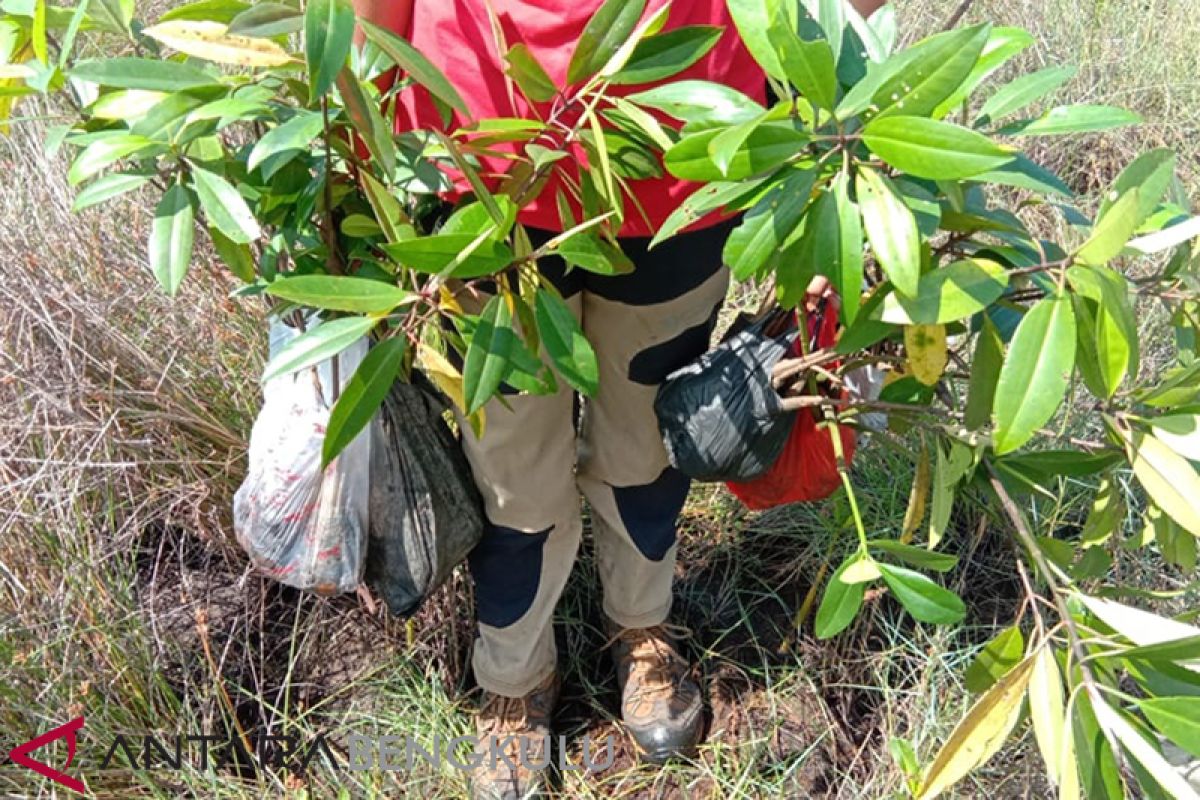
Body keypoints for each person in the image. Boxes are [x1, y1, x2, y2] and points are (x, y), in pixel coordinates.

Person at [349, 1, 885, 797]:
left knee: (646, 440)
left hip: (685, 160)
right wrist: (360, 126)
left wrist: (830, 152)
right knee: (510, 469)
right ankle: (512, 677)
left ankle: (640, 626)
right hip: (475, 162)